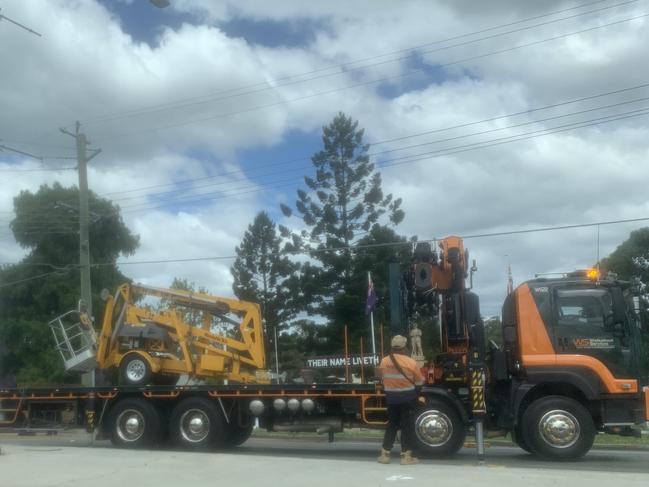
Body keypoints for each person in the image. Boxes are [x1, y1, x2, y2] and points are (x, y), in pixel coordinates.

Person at [377, 335, 424, 465]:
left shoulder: (384, 361)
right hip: (407, 399)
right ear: (404, 348)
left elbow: (381, 377)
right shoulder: (411, 362)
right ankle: (406, 457)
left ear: (392, 347)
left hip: (392, 399)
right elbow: (419, 382)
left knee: (392, 425)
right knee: (406, 427)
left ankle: (385, 455)